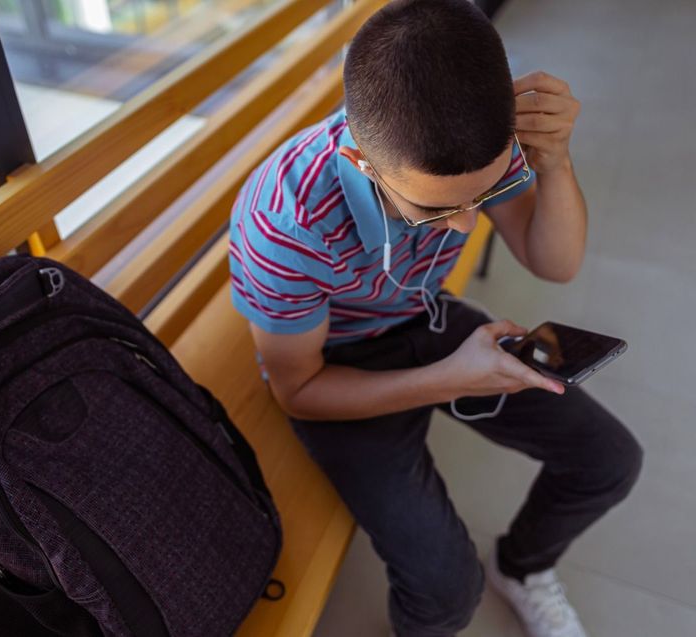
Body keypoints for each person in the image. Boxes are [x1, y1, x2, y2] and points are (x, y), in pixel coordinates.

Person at [227, 1, 642, 635]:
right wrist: (451, 378)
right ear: (364, 164)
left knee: (610, 460)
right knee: (448, 590)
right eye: (432, 211)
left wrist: (553, 160)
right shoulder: (287, 225)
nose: (467, 226)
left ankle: (523, 566)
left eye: (486, 193)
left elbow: (553, 262)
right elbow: (298, 390)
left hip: (419, 311)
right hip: (335, 363)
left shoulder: (471, 133)